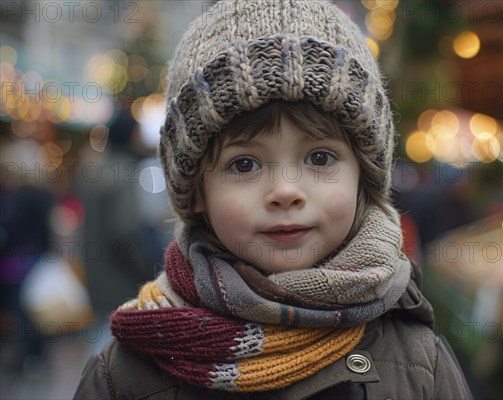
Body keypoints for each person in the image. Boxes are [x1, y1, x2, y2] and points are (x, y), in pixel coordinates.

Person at [74, 1, 472, 398]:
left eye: (320, 158)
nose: (285, 191)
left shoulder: (420, 364)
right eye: (245, 164)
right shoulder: (125, 374)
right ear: (197, 191)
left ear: (362, 176)